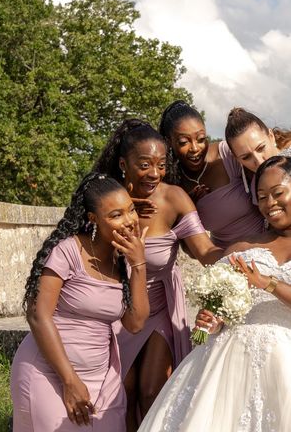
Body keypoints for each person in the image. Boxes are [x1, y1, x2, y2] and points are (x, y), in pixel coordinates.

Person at [137, 154, 291, 431]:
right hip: (228, 367)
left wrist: (269, 283)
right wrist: (210, 320)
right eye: (261, 197)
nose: (269, 204)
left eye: (277, 193)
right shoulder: (240, 248)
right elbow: (219, 311)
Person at [92, 118, 224, 429]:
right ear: (124, 164)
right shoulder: (104, 198)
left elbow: (205, 251)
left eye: (161, 164)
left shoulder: (174, 197)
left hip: (160, 306)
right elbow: (87, 252)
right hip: (115, 308)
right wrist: (118, 212)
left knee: (152, 390)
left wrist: (245, 255)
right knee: (120, 393)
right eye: (145, 164)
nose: (154, 173)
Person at [11, 173, 150, 431]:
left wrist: (139, 265)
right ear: (93, 219)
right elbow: (38, 316)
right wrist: (70, 380)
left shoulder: (125, 261)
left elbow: (136, 323)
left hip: (102, 379)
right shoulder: (67, 251)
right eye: (116, 215)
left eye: (130, 210)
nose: (129, 220)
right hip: (50, 373)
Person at [158, 100, 263, 248]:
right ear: (169, 142)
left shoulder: (227, 154)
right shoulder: (171, 183)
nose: (195, 148)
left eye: (201, 139)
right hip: (223, 260)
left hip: (266, 244)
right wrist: (189, 208)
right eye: (183, 142)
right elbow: (190, 251)